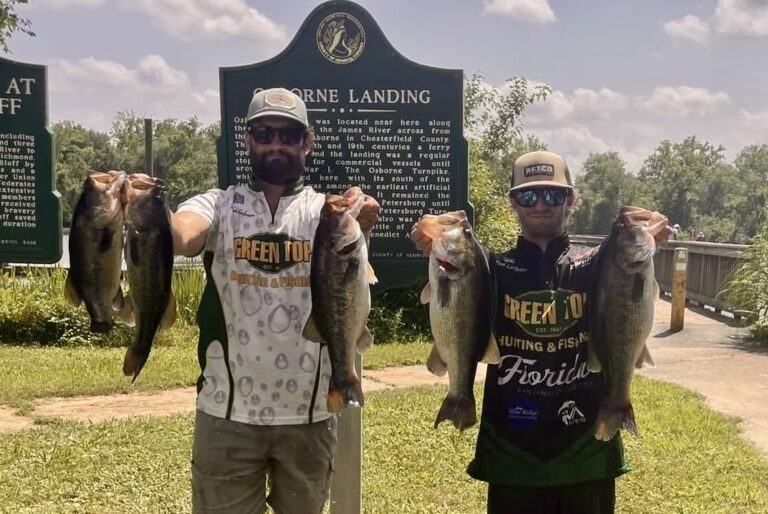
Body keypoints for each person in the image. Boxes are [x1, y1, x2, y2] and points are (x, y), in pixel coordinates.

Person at [410, 150, 671, 514]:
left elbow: (629, 260)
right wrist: (432, 240)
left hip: (586, 447)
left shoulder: (597, 263)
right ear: (512, 203)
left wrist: (649, 228)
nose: (540, 205)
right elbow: (457, 279)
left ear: (572, 200)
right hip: (511, 451)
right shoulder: (492, 268)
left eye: (554, 194)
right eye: (528, 195)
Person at [169, 87, 379, 513]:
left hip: (310, 414)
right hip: (226, 411)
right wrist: (145, 214)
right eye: (264, 132)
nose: (276, 143)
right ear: (248, 140)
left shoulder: (326, 212)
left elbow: (351, 263)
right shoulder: (220, 204)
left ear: (307, 141)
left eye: (288, 134)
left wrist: (362, 211)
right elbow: (182, 235)